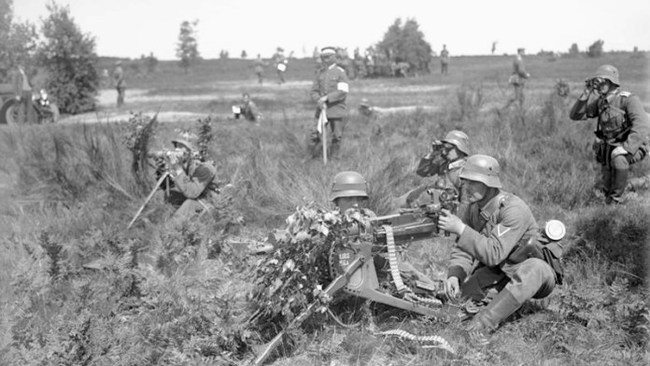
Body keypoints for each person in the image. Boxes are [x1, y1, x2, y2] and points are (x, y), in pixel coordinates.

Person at [438, 154, 558, 336]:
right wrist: (455, 274)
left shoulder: (513, 210)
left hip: (534, 274)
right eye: (465, 182)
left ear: (489, 183)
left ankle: (480, 326)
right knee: (453, 307)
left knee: (533, 269)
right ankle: (498, 304)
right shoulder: (473, 207)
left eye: (473, 182)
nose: (466, 188)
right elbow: (464, 249)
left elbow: (494, 253)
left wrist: (460, 229)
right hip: (499, 271)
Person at [569, 64, 650, 204]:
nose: (600, 86)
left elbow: (642, 125)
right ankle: (631, 185)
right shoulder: (601, 102)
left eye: (603, 81)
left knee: (619, 160)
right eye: (598, 82)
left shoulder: (628, 100)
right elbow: (575, 115)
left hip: (635, 146)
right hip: (610, 149)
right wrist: (585, 94)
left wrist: (626, 148)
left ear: (613, 82)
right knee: (605, 189)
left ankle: (616, 201)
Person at [394, 130, 470, 210]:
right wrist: (432, 153)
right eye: (444, 147)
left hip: (443, 206)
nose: (444, 151)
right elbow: (422, 172)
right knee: (397, 203)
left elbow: (466, 201)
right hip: (431, 198)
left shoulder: (465, 170)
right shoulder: (444, 163)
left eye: (448, 148)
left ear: (460, 149)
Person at [157, 139, 219, 222]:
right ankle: (166, 217)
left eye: (182, 147)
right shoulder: (186, 165)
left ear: (190, 152)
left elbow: (192, 193)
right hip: (198, 196)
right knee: (170, 194)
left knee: (189, 204)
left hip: (209, 201)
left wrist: (177, 168)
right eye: (177, 146)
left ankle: (171, 230)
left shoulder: (204, 168)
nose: (177, 150)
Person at [308, 46, 350, 159]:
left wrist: (327, 98)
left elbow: (343, 91)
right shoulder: (320, 73)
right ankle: (315, 158)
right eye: (323, 57)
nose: (325, 59)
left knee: (337, 136)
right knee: (314, 134)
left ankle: (334, 158)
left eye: (328, 57)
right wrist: (318, 100)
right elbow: (314, 91)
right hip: (321, 110)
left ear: (334, 57)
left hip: (336, 109)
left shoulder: (340, 72)